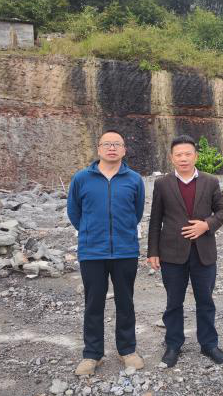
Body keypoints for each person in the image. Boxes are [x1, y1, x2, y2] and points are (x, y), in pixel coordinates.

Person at [67, 130, 146, 376]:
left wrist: (122, 232)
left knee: (126, 302)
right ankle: (92, 354)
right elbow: (74, 213)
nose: (112, 148)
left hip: (125, 251)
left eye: (117, 144)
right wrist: (91, 231)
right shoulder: (81, 178)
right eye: (107, 144)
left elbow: (137, 213)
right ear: (99, 149)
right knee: (93, 304)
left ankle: (127, 350)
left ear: (124, 150)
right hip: (92, 252)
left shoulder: (134, 179)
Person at [147, 135, 223, 367]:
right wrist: (152, 251)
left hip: (204, 252)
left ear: (196, 156)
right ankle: (173, 344)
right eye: (179, 155)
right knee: (174, 302)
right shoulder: (162, 184)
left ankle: (209, 344)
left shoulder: (210, 181)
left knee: (206, 301)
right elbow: (155, 219)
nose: (183, 158)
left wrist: (207, 225)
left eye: (188, 154)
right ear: (172, 158)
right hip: (171, 253)